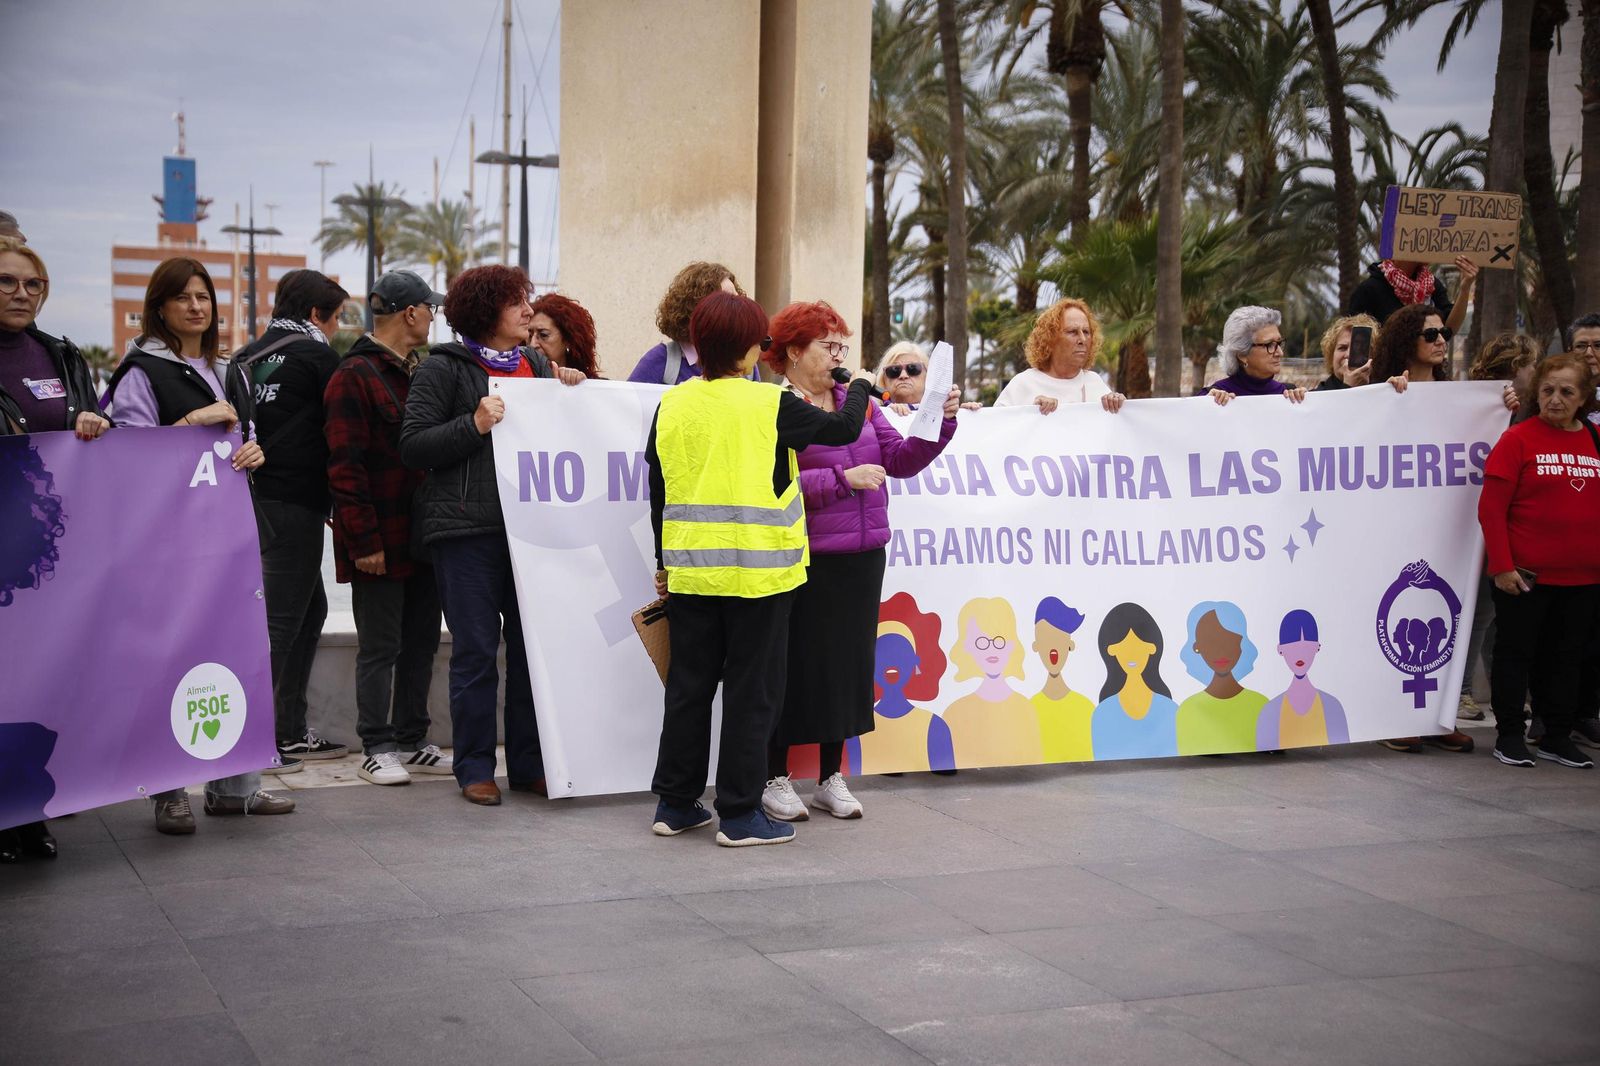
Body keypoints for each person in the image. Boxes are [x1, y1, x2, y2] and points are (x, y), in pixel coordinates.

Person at [645, 291, 871, 846]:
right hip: (760, 578)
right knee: (752, 694)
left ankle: (675, 804)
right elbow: (844, 429)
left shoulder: (672, 404)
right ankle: (741, 814)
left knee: (689, 690)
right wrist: (861, 385)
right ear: (751, 347)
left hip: (692, 573)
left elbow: (659, 488)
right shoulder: (769, 403)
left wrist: (663, 562)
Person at [102, 256, 289, 832]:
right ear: (159, 307)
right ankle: (168, 791)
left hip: (230, 537)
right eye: (183, 296)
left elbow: (245, 437)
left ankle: (237, 787)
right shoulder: (140, 372)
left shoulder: (231, 370)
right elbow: (127, 455)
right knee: (167, 659)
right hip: (168, 544)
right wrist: (191, 424)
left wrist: (254, 452)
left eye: (203, 296)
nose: (196, 306)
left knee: (239, 653)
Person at [758, 301, 958, 823]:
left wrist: (942, 421)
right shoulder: (776, 404)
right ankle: (774, 777)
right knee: (796, 665)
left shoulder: (859, 401)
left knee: (847, 667)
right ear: (793, 352)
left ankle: (830, 777)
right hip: (807, 556)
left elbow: (900, 460)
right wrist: (840, 481)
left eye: (842, 347)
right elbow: (771, 484)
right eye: (827, 346)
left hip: (865, 553)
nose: (838, 356)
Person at [400, 265, 584, 807]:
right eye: (515, 303)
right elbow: (413, 446)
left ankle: (529, 765)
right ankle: (475, 768)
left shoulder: (536, 365)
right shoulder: (442, 369)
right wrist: (473, 424)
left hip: (530, 531)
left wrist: (571, 391)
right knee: (477, 652)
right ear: (485, 313)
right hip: (466, 532)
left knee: (531, 653)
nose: (528, 311)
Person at [0, 237, 108, 859]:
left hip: (42, 554)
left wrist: (92, 424)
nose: (21, 293)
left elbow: (90, 435)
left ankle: (24, 809)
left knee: (34, 680)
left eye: (32, 284)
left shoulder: (60, 355)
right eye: (7, 282)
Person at [325, 271, 452, 787]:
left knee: (421, 642)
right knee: (380, 647)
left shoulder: (419, 370)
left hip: (422, 535)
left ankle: (412, 738)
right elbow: (344, 467)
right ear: (411, 312)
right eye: (430, 309)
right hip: (379, 538)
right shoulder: (352, 376)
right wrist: (363, 542)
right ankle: (376, 746)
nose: (433, 318)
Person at [226, 270, 352, 772]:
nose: (337, 328)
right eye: (336, 317)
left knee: (310, 609)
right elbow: (339, 432)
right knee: (279, 623)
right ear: (317, 315)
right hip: (295, 504)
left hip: (249, 502)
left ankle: (289, 729)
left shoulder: (245, 358)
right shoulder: (319, 358)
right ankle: (259, 740)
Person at [1476, 352, 1600, 769]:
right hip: (1525, 576)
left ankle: (1556, 736)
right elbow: (1492, 509)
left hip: (1584, 578)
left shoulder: (1594, 440)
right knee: (1516, 655)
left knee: (1567, 659)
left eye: (1566, 392)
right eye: (1547, 391)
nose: (1555, 399)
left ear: (1583, 397)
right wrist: (1502, 565)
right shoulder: (1517, 440)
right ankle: (1510, 735)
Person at [1456, 334, 1542, 722]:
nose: (1535, 372)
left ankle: (1509, 693)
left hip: (1512, 525)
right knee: (1481, 614)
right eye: (1531, 365)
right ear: (1516, 367)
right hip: (1477, 522)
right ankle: (1462, 692)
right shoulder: (1485, 407)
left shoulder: (1531, 409)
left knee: (1495, 618)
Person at [995, 298, 1126, 414]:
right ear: (1050, 339)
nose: (1083, 339)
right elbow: (995, 427)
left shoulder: (1094, 382)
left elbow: (1116, 428)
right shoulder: (1024, 383)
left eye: (1086, 332)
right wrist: (1033, 412)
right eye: (1073, 332)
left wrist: (1122, 407)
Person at [627, 261, 747, 385]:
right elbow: (628, 397)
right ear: (698, 308)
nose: (739, 307)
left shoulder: (745, 363)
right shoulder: (661, 360)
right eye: (727, 300)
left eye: (737, 298)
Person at [1175, 601, 1268, 756]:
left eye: (1230, 640)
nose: (1221, 650)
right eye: (1211, 641)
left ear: (1241, 644)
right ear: (1197, 647)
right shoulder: (1186, 711)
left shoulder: (1261, 706)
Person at [1346, 254, 1478, 333]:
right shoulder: (1369, 290)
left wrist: (1465, 288)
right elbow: (1355, 338)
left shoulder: (1431, 285)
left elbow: (1449, 329)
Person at [1205, 306, 1307, 405]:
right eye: (1269, 345)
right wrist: (1207, 404)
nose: (1280, 353)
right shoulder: (1214, 397)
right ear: (1242, 354)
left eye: (1279, 343)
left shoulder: (1289, 395)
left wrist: (1306, 401)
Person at [877, 340, 981, 415]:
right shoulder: (870, 415)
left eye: (913, 369)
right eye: (894, 370)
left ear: (928, 377)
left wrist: (964, 415)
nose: (903, 376)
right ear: (883, 379)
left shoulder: (944, 414)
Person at [528, 292, 604, 378]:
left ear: (568, 339)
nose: (532, 345)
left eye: (543, 335)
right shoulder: (519, 379)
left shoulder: (592, 384)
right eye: (529, 336)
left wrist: (581, 384)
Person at [1311, 313, 1379, 391]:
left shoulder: (1383, 391)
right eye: (1342, 348)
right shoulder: (1315, 396)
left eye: (1358, 349)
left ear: (1373, 355)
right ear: (1331, 355)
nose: (1348, 354)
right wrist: (1348, 387)